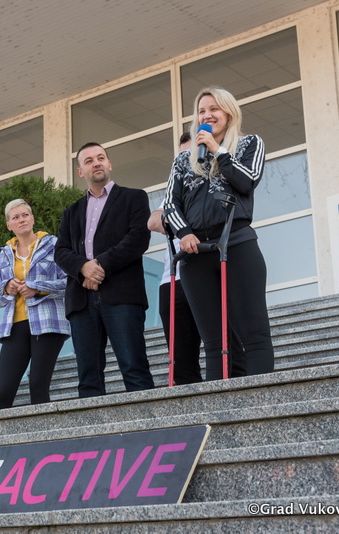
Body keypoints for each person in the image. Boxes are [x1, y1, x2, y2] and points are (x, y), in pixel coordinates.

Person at [163, 86, 274, 380]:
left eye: (213, 109)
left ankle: (262, 398)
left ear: (229, 112)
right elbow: (169, 205)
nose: (207, 115)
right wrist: (184, 233)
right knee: (214, 341)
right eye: (201, 111)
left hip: (236, 244)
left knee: (254, 334)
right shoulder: (183, 160)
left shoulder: (250, 144)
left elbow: (247, 180)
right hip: (195, 253)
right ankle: (219, 402)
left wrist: (217, 149)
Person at [55, 142, 155, 397]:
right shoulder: (71, 212)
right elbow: (61, 251)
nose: (96, 163)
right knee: (88, 378)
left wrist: (98, 267)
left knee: (134, 369)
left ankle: (149, 422)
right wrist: (83, 268)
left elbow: (138, 239)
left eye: (101, 158)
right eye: (89, 160)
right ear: (81, 172)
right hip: (81, 300)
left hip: (122, 295)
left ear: (109, 164)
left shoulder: (134, 197)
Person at [149, 133, 247, 384]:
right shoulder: (177, 188)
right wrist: (184, 226)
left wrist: (188, 219)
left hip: (213, 270)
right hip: (175, 279)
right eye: (185, 154)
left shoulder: (218, 181)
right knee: (181, 359)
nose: (191, 158)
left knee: (227, 345)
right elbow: (153, 221)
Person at [0, 199, 70, 409]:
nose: (21, 220)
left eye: (25, 215)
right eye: (15, 217)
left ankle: (44, 431)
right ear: (9, 225)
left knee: (38, 385)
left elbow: (70, 282)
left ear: (32, 218)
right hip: (14, 326)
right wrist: (7, 287)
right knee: (2, 392)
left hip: (48, 323)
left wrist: (37, 288)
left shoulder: (53, 245)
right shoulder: (5, 253)